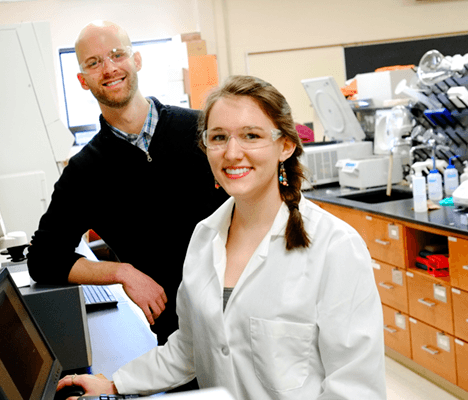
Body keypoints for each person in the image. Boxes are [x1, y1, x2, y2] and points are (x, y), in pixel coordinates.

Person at [57, 75, 387, 400]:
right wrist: (116, 384)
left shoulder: (335, 247)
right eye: (218, 138)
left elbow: (355, 389)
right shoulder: (204, 238)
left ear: (285, 145)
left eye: (251, 135)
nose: (231, 153)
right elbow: (189, 348)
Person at [26, 20, 228, 345]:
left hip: (238, 306)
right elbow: (44, 257)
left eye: (117, 55)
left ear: (136, 60)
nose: (108, 68)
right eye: (94, 62)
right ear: (82, 80)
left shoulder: (202, 130)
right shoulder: (84, 171)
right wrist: (122, 273)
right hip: (176, 334)